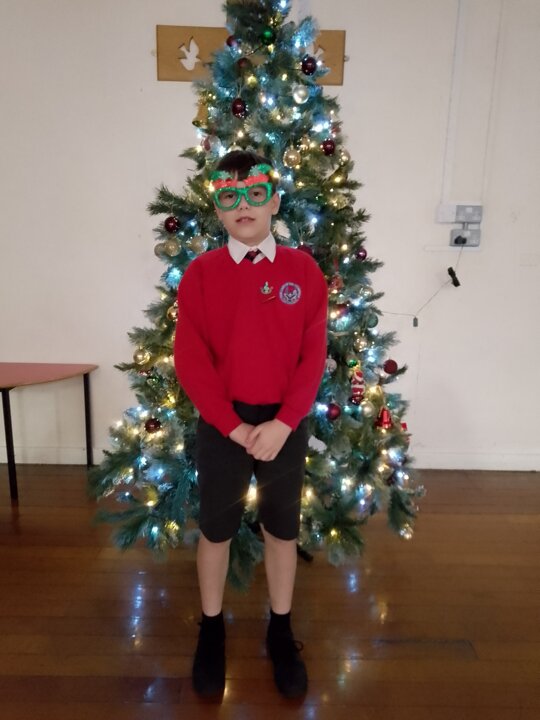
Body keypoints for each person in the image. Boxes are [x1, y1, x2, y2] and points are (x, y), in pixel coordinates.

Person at [174, 149, 328, 699]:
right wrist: (234, 428)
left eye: (255, 193)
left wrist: (285, 423)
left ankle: (280, 628)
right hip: (224, 426)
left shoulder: (303, 273)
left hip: (283, 425)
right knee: (216, 530)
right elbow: (190, 359)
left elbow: (313, 355)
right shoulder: (201, 274)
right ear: (218, 209)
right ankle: (212, 628)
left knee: (281, 530)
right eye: (230, 195)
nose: (244, 205)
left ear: (275, 202)